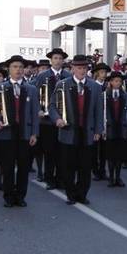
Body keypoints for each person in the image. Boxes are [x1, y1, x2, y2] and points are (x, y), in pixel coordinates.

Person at [49, 54, 104, 205]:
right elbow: (52, 105)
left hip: (87, 132)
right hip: (68, 131)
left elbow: (99, 110)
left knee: (85, 166)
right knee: (68, 166)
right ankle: (71, 194)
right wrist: (57, 119)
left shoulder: (95, 86)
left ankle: (82, 193)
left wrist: (99, 130)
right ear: (72, 69)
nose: (81, 71)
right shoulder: (63, 84)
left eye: (84, 68)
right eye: (78, 68)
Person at [0, 55, 39, 208]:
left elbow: (34, 113)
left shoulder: (31, 89)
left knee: (24, 166)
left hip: (25, 132)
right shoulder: (1, 88)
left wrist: (34, 133)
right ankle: (8, 196)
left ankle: (21, 196)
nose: (18, 70)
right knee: (7, 166)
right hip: (6, 132)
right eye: (15, 67)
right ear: (9, 69)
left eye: (20, 67)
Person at [33, 48, 71, 190]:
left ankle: (60, 179)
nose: (58, 61)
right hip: (47, 120)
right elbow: (36, 94)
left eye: (60, 58)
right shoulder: (43, 76)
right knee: (49, 151)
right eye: (55, 58)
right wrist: (39, 110)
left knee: (63, 151)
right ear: (51, 60)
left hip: (64, 118)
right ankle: (49, 179)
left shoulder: (67, 75)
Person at [103, 71, 127, 187]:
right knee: (110, 154)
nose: (117, 83)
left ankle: (118, 177)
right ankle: (111, 176)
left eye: (119, 81)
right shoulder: (104, 95)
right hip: (109, 129)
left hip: (122, 129)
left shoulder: (126, 96)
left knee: (119, 155)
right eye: (115, 81)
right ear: (111, 82)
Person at [91, 62, 110, 181]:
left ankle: (103, 170)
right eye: (102, 72)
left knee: (104, 149)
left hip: (106, 119)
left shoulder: (108, 86)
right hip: (96, 119)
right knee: (94, 148)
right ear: (97, 73)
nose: (104, 75)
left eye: (105, 72)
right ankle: (95, 170)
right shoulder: (93, 86)